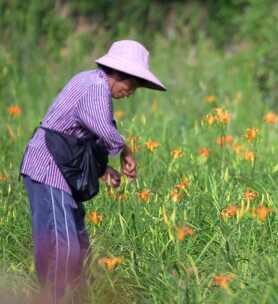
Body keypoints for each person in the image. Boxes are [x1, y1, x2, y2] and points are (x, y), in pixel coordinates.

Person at [19, 40, 166, 303]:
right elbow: (104, 130)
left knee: (77, 243)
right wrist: (126, 150)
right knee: (63, 247)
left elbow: (82, 141)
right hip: (48, 169)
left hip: (61, 168)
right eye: (133, 85)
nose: (131, 93)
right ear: (120, 75)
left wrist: (102, 169)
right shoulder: (95, 85)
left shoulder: (94, 85)